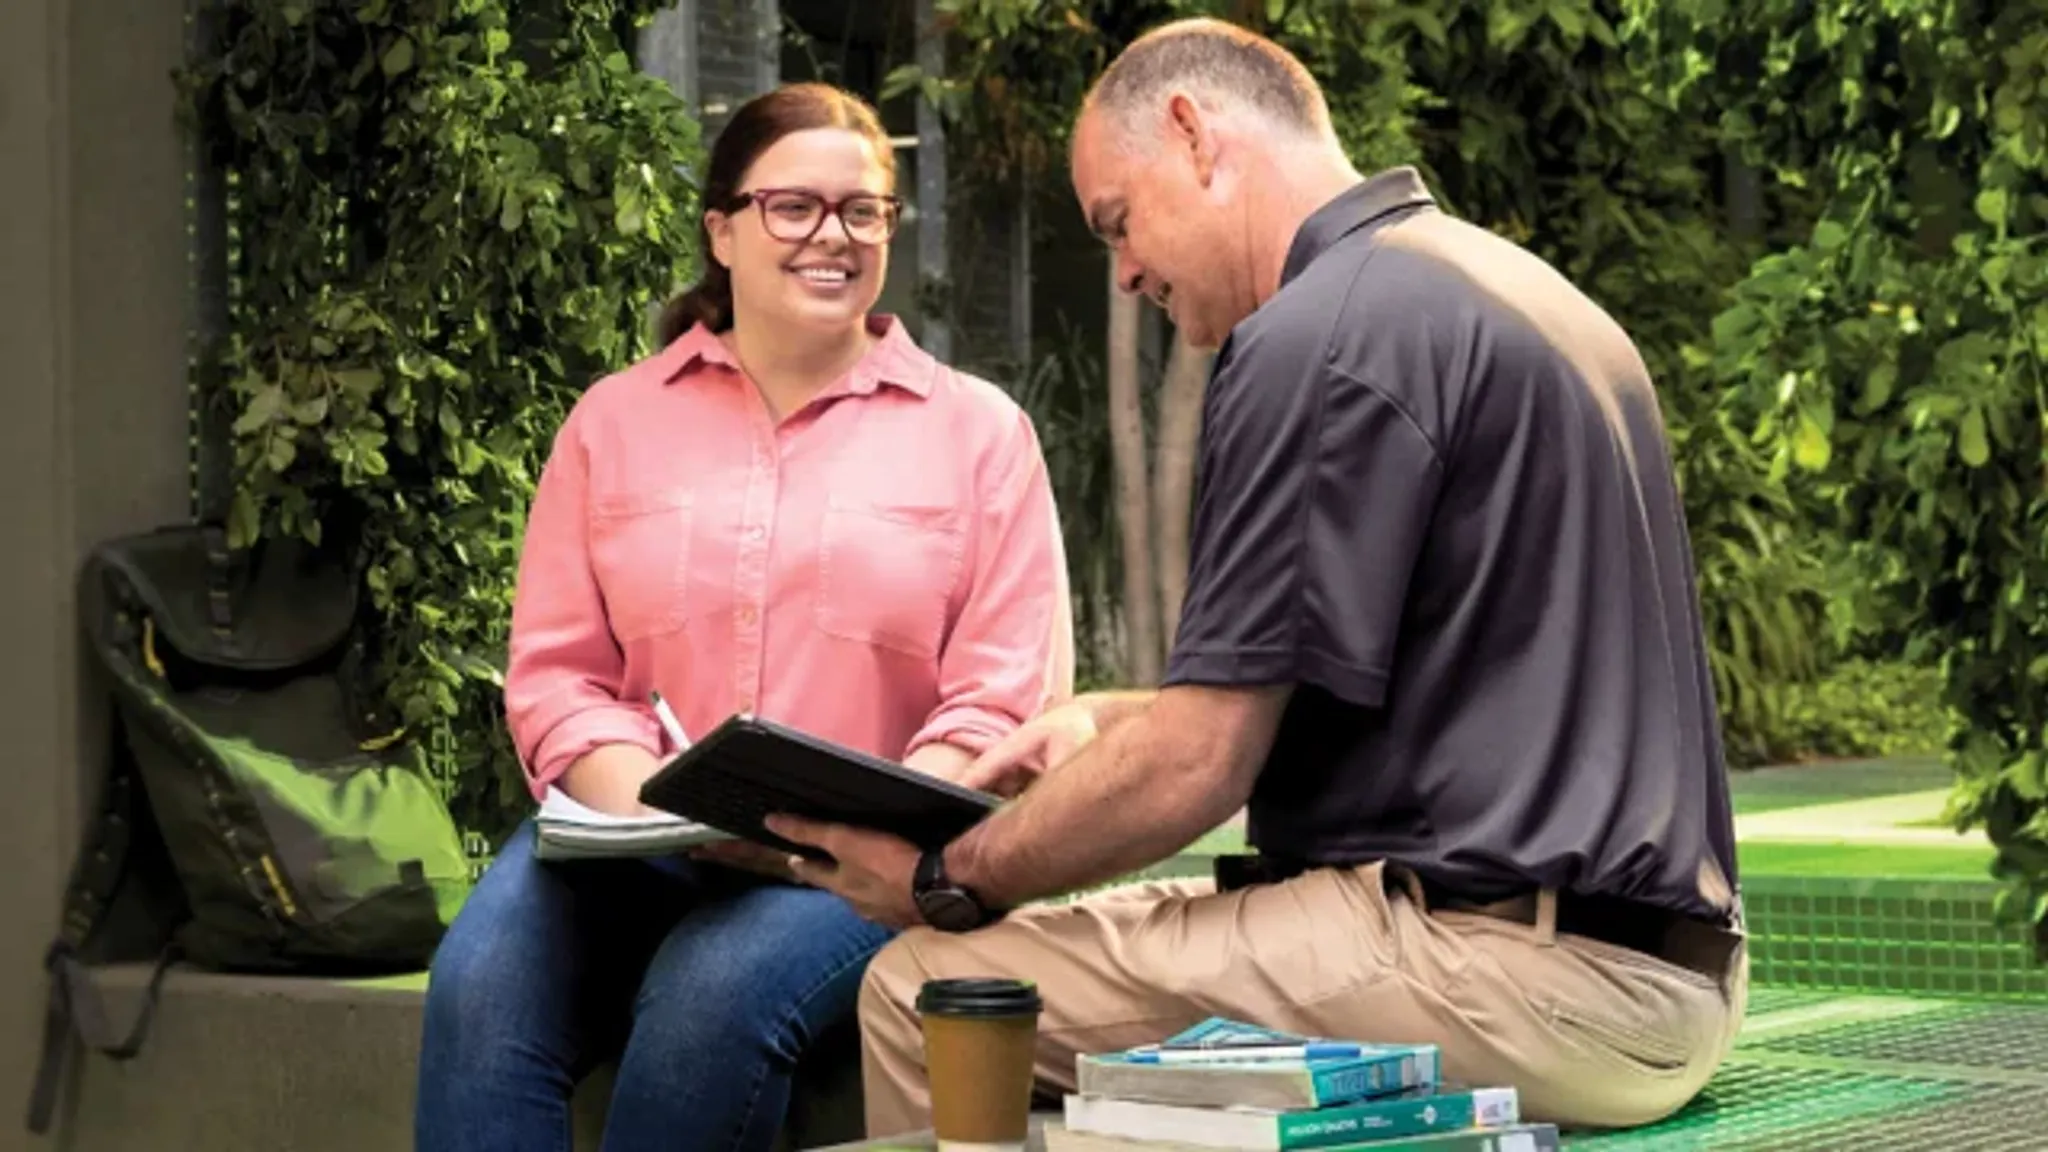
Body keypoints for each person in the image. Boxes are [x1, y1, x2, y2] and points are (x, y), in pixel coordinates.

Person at [767, 19, 1749, 1138]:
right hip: (1668, 977)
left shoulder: (1314, 335)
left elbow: (1200, 762)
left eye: (1117, 222)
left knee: (928, 991)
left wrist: (950, 872)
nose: (1126, 269)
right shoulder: (1512, 294)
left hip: (1506, 975)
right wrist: (1112, 721)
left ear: (1192, 134)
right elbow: (1420, 676)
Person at [414, 81, 1074, 1152]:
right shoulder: (613, 422)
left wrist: (868, 832)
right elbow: (559, 674)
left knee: (706, 1001)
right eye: (794, 207)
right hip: (635, 836)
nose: (835, 236)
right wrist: (655, 808)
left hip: (854, 863)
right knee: (479, 986)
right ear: (721, 230)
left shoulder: (977, 436)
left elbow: (997, 700)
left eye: (864, 211)